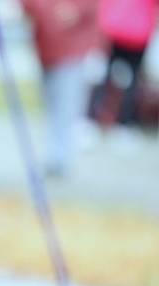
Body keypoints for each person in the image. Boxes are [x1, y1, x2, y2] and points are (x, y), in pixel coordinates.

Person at [21, 0, 102, 177]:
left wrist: (74, 11)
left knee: (67, 103)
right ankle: (55, 154)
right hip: (45, 48)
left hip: (74, 48)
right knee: (51, 103)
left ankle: (60, 157)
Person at [91, 0, 158, 131]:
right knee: (131, 80)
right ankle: (124, 121)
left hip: (115, 27)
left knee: (106, 77)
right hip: (137, 31)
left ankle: (97, 117)